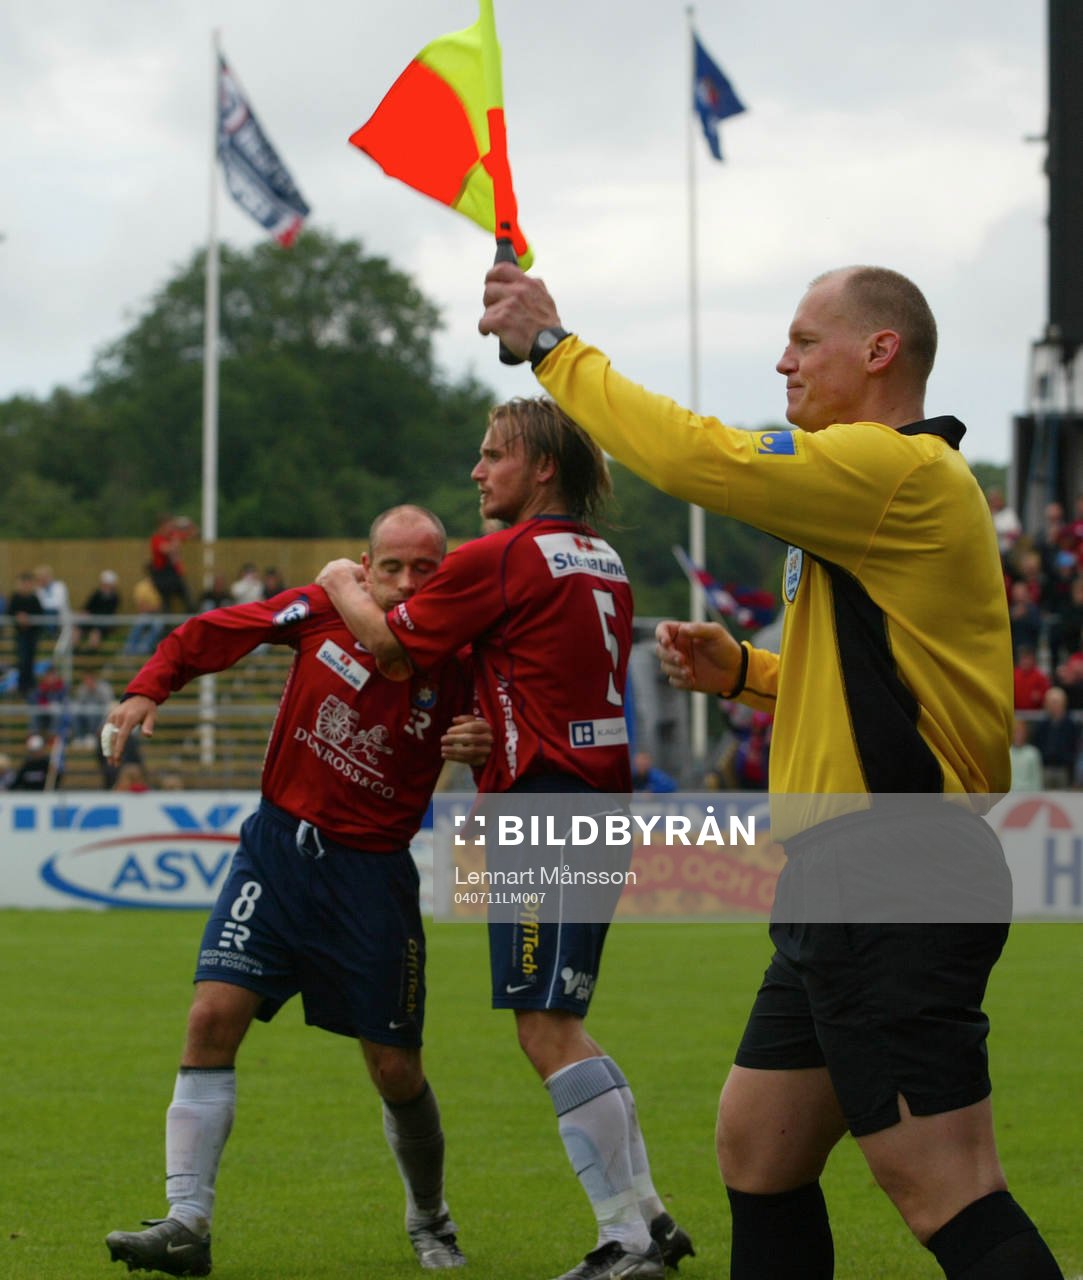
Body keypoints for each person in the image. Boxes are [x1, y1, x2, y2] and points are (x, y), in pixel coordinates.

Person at [479, 263, 1064, 1279]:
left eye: (804, 340)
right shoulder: (878, 492)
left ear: (880, 352)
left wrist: (551, 347)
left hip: (890, 867)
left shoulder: (891, 469)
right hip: (852, 868)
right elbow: (881, 694)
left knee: (948, 1185)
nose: (782, 359)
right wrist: (746, 671)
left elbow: (697, 455)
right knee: (760, 1147)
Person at [318, 400, 693, 1280]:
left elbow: (390, 648)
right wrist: (488, 721)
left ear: (542, 468)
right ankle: (649, 1220)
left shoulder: (503, 556)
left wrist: (341, 581)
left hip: (542, 812)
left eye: (494, 457)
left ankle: (625, 1242)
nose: (478, 472)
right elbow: (533, 667)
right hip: (589, 802)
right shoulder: (600, 557)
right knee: (561, 1022)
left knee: (545, 1029)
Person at [104, 505, 491, 1279]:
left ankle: (429, 1218)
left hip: (371, 877)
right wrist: (150, 688)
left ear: (442, 574)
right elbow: (212, 631)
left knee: (394, 1070)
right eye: (391, 567)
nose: (406, 583)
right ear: (364, 565)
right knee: (211, 1016)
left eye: (424, 569)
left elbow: (506, 755)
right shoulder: (319, 611)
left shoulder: (463, 654)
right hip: (277, 852)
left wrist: (482, 747)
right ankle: (188, 1219)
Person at [149, 515, 198, 614]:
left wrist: (189, 524)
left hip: (174, 575)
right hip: (162, 577)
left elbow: (194, 534)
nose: (171, 528)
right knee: (166, 605)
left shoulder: (173, 536)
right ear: (161, 526)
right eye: (169, 526)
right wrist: (175, 542)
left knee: (189, 600)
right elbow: (166, 549)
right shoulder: (157, 539)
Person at [8, 571, 45, 696]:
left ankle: (30, 684)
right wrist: (18, 617)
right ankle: (22, 685)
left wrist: (29, 620)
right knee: (22, 659)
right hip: (21, 635)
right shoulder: (15, 597)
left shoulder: (34, 598)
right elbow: (10, 613)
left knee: (30, 659)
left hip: (32, 634)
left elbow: (40, 615)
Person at [74, 569, 121, 652]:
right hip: (92, 620)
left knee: (95, 633)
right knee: (77, 629)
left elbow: (109, 612)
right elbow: (87, 607)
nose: (104, 586)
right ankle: (74, 650)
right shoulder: (96, 594)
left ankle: (90, 653)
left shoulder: (115, 597)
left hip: (103, 623)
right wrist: (85, 613)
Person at [1008, 718, 1043, 793]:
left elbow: (1036, 778)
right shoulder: (1007, 753)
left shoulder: (1033, 753)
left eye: (1021, 732)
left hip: (1028, 794)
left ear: (1026, 734)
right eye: (1016, 732)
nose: (1018, 735)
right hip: (1009, 795)